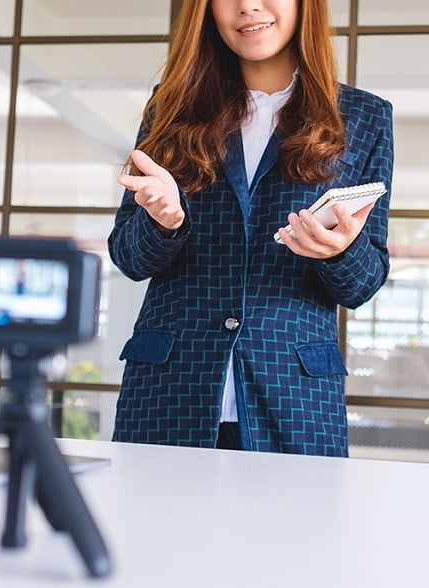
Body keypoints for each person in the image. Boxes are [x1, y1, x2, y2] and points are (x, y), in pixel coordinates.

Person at [107, 0, 393, 456]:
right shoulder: (170, 106)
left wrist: (339, 250)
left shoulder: (363, 116)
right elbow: (128, 256)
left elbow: (364, 282)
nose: (248, 6)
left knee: (293, 530)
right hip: (169, 389)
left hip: (296, 398)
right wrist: (164, 223)